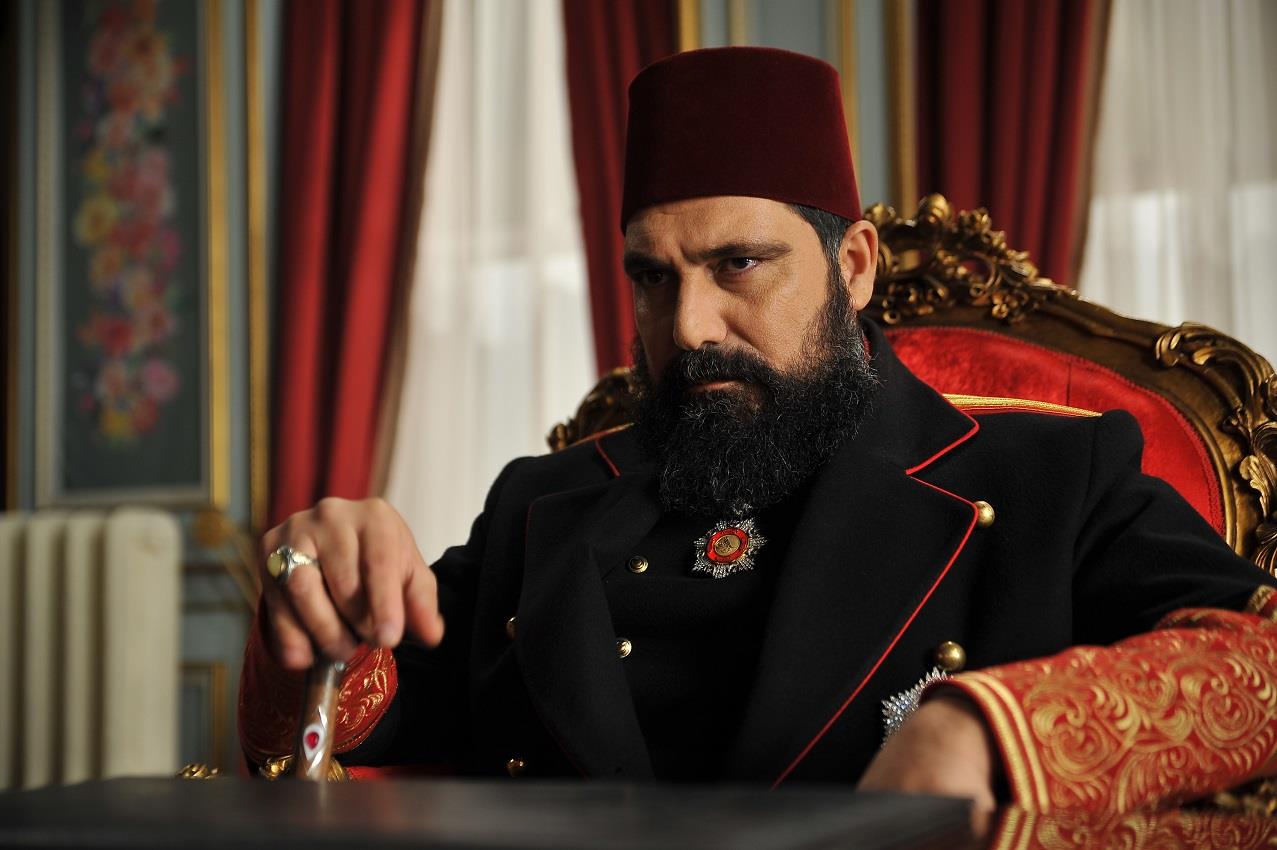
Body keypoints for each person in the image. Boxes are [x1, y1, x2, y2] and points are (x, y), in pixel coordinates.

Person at [239, 47, 1277, 822]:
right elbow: (329, 737)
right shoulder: (538, 503)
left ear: (853, 267)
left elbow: (1261, 664)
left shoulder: (1050, 475)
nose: (687, 329)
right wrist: (317, 594)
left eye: (736, 265)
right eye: (652, 278)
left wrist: (990, 730)